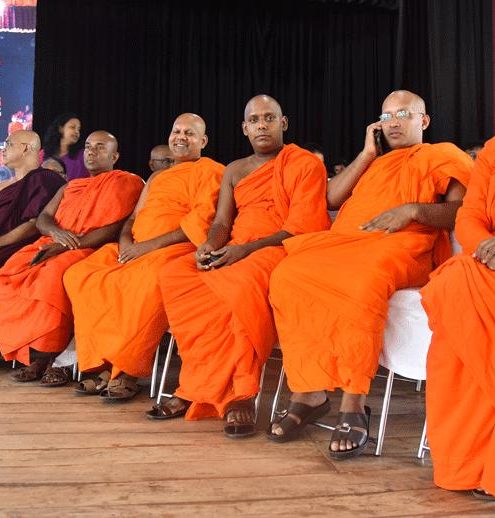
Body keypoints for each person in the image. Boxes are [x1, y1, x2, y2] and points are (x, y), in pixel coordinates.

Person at [267, 90, 472, 458]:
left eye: (403, 114)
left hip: (403, 246)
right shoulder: (375, 163)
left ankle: (354, 402)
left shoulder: (444, 154)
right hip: (347, 243)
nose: (393, 122)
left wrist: (413, 211)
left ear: (423, 121)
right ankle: (309, 392)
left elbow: (464, 212)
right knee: (288, 273)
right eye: (386, 115)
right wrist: (366, 155)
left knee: (360, 282)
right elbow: (329, 199)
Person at [153, 95, 330, 438]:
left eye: (269, 118)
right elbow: (222, 222)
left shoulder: (305, 163)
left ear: (283, 123)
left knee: (237, 287)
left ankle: (241, 395)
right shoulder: (234, 169)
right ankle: (199, 385)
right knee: (177, 274)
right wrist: (209, 245)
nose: (262, 125)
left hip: (278, 248)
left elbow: (302, 227)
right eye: (254, 120)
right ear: (245, 128)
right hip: (236, 247)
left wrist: (245, 250)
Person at [63, 114, 223, 400]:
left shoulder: (212, 171)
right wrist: (127, 242)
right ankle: (102, 362)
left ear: (203, 141)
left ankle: (127, 371)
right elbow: (133, 218)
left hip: (175, 248)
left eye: (189, 133)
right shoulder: (157, 177)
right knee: (80, 275)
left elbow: (200, 223)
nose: (181, 137)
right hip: (136, 246)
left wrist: (147, 247)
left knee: (146, 281)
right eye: (176, 131)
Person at [0, 131, 143, 385]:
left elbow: (116, 226)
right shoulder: (71, 185)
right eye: (88, 146)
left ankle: (46, 356)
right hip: (52, 243)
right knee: (8, 276)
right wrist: (56, 233)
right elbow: (44, 218)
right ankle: (29, 349)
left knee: (51, 278)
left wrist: (67, 245)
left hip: (87, 248)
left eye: (100, 147)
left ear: (115, 156)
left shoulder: (128, 182)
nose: (91, 151)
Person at [421, 137, 495, 501]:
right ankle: (465, 464)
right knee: (454, 283)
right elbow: (470, 215)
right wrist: (483, 245)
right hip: (488, 262)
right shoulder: (492, 152)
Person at [0, 130, 66, 266]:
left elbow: (34, 224)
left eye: (9, 144)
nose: (3, 149)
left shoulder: (45, 179)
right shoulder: (3, 185)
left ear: (25, 148)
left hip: (16, 251)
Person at [43, 113, 88, 181]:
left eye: (78, 129)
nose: (77, 132)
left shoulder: (84, 155)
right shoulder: (43, 154)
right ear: (60, 128)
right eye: (72, 127)